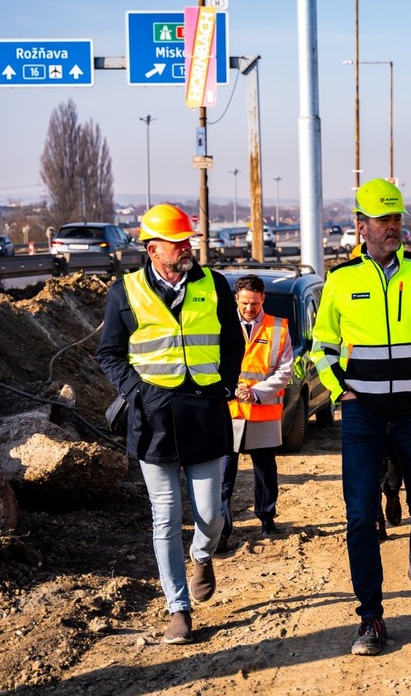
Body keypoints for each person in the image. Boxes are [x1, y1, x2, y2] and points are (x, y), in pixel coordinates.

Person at [311, 178, 411, 656]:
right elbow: (321, 348)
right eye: (383, 220)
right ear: (361, 227)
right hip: (363, 417)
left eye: (397, 219)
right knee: (360, 516)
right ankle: (371, 617)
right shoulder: (341, 282)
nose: (393, 228)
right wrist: (345, 393)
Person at [96, 203, 244, 645]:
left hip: (204, 410)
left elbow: (233, 343)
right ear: (152, 248)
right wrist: (136, 391)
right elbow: (108, 353)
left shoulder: (214, 284)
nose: (186, 249)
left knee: (211, 515)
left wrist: (224, 385)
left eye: (188, 241)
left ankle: (203, 555)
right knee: (166, 517)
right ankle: (177, 609)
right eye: (177, 243)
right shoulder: (125, 292)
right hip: (153, 417)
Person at [220, 275, 294, 549]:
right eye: (244, 303)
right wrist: (232, 388)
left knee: (265, 472)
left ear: (263, 298)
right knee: (224, 475)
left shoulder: (279, 328)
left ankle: (267, 519)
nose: (249, 308)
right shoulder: (222, 326)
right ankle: (222, 529)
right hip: (229, 412)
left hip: (263, 413)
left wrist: (256, 392)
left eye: (254, 302)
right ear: (236, 300)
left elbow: (285, 371)